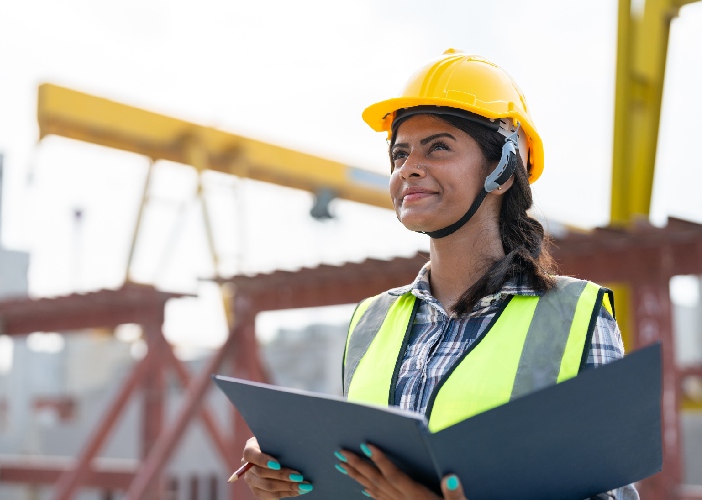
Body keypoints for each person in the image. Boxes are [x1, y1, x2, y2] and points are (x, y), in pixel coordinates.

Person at [241, 49, 637, 500]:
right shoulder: (371, 321)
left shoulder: (574, 317)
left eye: (439, 147)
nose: (408, 168)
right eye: (400, 153)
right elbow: (358, 479)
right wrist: (294, 472)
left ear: (503, 170)